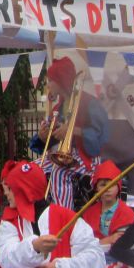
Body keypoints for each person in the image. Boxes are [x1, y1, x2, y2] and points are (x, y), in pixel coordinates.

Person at [30, 56, 109, 209]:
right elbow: (50, 142)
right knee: (30, 170)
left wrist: (74, 130)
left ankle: (64, 220)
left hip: (87, 158)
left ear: (61, 80)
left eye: (50, 81)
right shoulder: (57, 108)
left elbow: (102, 137)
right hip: (64, 156)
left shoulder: (90, 103)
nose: (48, 86)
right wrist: (42, 137)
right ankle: (39, 214)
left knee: (59, 173)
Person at [81, 160, 134, 268]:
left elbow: (121, 244)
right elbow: (82, 243)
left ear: (118, 187)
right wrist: (107, 240)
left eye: (112, 184)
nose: (108, 188)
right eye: (103, 185)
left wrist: (101, 242)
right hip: (92, 258)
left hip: (118, 262)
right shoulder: (88, 212)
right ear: (97, 188)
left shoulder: (127, 212)